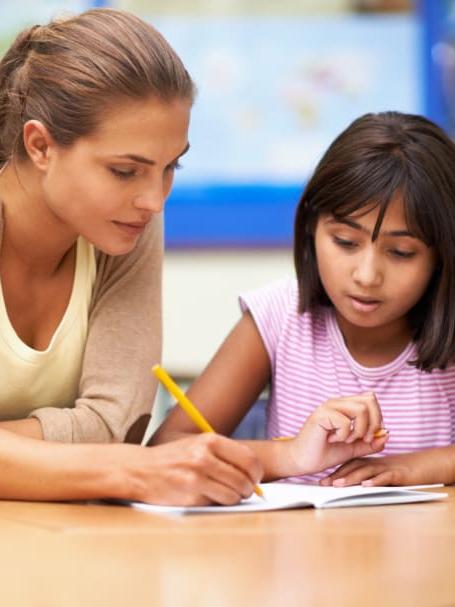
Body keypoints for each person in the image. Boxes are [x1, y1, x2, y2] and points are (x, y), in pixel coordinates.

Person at [0, 8, 262, 506]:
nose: (154, 200)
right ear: (39, 146)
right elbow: (118, 451)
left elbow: (115, 427)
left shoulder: (128, 224)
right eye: (125, 171)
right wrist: (130, 470)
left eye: (170, 167)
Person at [151, 111, 455, 488]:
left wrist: (416, 468)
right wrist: (291, 455)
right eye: (345, 242)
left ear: (442, 254)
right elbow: (167, 448)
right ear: (311, 225)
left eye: (401, 253)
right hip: (302, 546)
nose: (366, 275)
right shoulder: (280, 315)